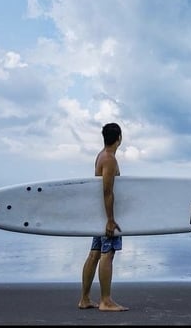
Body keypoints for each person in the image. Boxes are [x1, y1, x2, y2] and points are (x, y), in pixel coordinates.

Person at [78, 122, 128, 312]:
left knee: (95, 254)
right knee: (108, 254)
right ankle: (105, 301)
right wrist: (110, 220)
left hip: (99, 214)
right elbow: (107, 192)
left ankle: (84, 299)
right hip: (106, 216)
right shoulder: (109, 159)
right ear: (119, 138)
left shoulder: (102, 156)